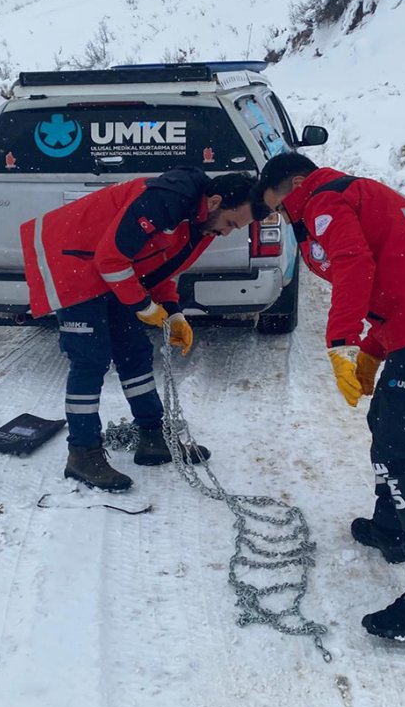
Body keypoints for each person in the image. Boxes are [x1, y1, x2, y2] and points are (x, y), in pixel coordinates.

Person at [253, 152, 405, 640]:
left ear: (295, 183)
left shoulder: (322, 201)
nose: (282, 216)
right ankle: (391, 526)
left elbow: (354, 263)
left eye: (278, 205)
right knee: (385, 418)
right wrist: (370, 349)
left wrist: (340, 339)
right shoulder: (356, 194)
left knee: (401, 451)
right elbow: (401, 277)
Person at [21, 166, 258, 493]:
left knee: (134, 353)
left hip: (110, 269)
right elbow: (112, 260)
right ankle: (82, 453)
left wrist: (173, 312)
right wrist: (144, 307)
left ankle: (153, 437)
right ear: (215, 201)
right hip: (73, 262)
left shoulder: (201, 223)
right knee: (90, 359)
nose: (228, 232)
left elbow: (161, 269)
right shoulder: (165, 201)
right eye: (231, 223)